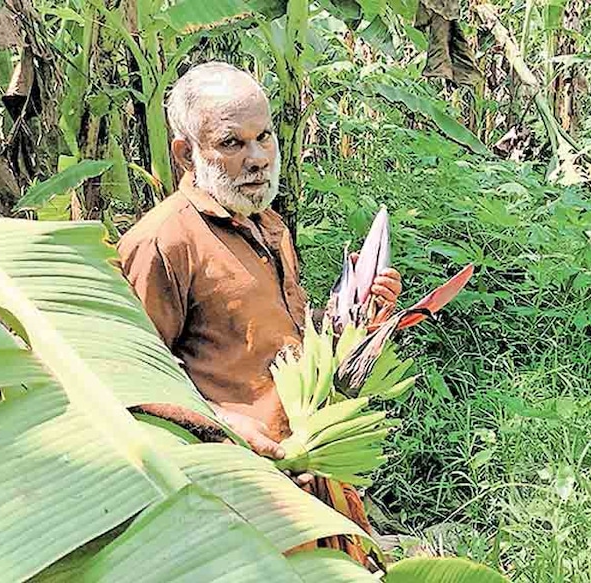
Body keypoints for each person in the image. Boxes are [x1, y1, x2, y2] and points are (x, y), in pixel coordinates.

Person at [116, 62, 401, 562]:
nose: (258, 159)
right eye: (232, 144)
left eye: (263, 138)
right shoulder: (164, 242)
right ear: (187, 153)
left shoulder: (267, 224)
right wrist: (220, 420)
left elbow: (275, 342)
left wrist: (356, 312)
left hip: (304, 472)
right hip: (233, 493)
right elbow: (129, 380)